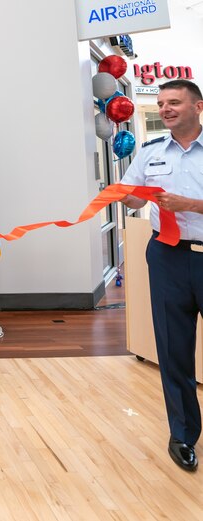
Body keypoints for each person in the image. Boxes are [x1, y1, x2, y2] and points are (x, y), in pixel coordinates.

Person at [120, 79, 203, 472]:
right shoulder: (150, 151)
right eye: (162, 103)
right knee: (173, 348)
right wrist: (128, 195)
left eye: (175, 102)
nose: (166, 108)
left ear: (197, 106)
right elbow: (134, 195)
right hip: (168, 256)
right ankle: (183, 434)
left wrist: (191, 204)